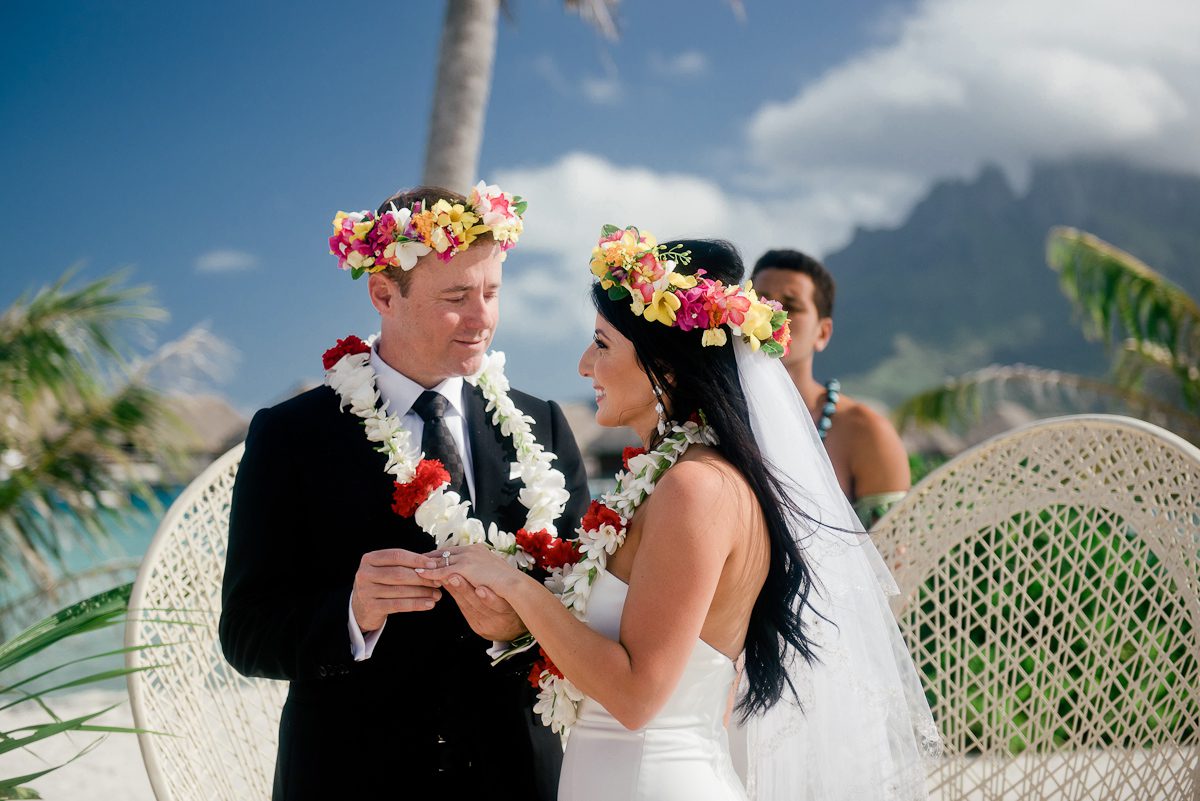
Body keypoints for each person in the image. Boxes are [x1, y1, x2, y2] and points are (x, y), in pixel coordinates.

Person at [424, 227, 939, 800]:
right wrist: (515, 622)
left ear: (663, 367)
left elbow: (637, 694)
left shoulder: (698, 489)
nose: (582, 365)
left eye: (602, 343)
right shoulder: (668, 480)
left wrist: (518, 588)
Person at [218, 183, 590, 801]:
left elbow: (589, 603)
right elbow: (246, 634)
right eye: (456, 298)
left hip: (515, 777)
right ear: (384, 294)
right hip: (348, 778)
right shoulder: (290, 436)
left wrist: (518, 625)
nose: (482, 319)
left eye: (491, 293)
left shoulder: (542, 424)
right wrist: (351, 614)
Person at [751, 249, 910, 527]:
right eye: (760, 301)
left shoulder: (865, 431)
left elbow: (893, 557)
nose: (771, 314)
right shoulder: (711, 416)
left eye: (791, 306)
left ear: (822, 333)